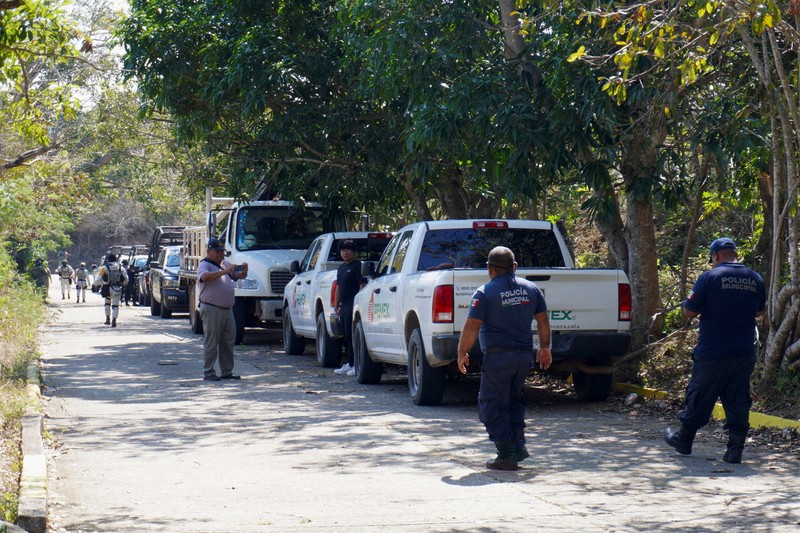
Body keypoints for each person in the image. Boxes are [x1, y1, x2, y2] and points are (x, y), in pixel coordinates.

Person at [664, 237, 766, 464]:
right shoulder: (755, 278)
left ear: (716, 256)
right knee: (737, 399)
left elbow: (689, 312)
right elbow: (758, 312)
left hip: (712, 352)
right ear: (734, 253)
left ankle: (684, 440)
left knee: (699, 394)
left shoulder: (708, 278)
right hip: (742, 353)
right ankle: (735, 450)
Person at [456, 246, 552, 471]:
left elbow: (472, 327)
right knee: (514, 401)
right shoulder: (532, 289)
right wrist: (545, 347)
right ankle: (518, 445)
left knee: (489, 405)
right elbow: (543, 320)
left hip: (499, 358)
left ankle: (507, 452)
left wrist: (462, 352)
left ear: (489, 268)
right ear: (515, 267)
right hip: (523, 358)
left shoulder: (484, 292)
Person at [198, 238, 248, 381]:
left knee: (228, 341)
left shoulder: (225, 264)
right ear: (209, 251)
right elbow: (204, 277)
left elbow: (238, 276)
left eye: (222, 252)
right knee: (211, 341)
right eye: (217, 252)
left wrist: (243, 271)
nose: (221, 255)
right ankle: (208, 372)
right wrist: (224, 271)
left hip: (227, 309)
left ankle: (227, 371)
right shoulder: (204, 264)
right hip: (211, 308)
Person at [332, 240, 366, 376]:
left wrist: (359, 303)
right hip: (344, 304)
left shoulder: (358, 266)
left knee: (353, 334)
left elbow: (362, 285)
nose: (345, 253)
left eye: (348, 250)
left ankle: (356, 364)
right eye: (342, 250)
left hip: (354, 303)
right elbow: (339, 286)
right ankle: (349, 363)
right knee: (345, 334)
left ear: (354, 252)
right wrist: (336, 304)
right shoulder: (341, 268)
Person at [93, 253, 128, 327]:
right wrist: (123, 284)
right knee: (115, 305)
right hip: (117, 288)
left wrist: (95, 285)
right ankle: (114, 320)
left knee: (107, 303)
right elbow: (126, 278)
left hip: (107, 288)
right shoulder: (120, 267)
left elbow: (99, 278)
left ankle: (107, 319)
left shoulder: (104, 268)